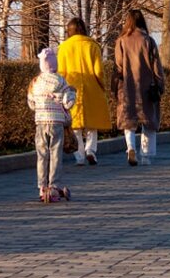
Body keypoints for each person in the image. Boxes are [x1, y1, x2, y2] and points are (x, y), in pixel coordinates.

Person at [57, 17, 111, 166]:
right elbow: (98, 71)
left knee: (75, 125)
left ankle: (79, 157)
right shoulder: (93, 46)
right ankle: (91, 151)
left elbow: (61, 72)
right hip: (91, 87)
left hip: (71, 89)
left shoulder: (64, 48)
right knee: (92, 125)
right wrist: (102, 86)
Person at [114, 9, 165, 165]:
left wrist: (116, 86)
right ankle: (146, 155)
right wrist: (160, 83)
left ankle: (131, 147)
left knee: (128, 120)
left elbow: (119, 66)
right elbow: (156, 65)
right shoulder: (148, 40)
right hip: (147, 86)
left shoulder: (121, 41)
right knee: (148, 121)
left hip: (128, 87)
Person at [29, 48, 74, 202]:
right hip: (57, 122)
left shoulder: (35, 82)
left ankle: (42, 187)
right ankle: (54, 186)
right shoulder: (62, 81)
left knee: (42, 155)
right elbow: (68, 103)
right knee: (55, 154)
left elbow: (31, 103)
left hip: (41, 122)